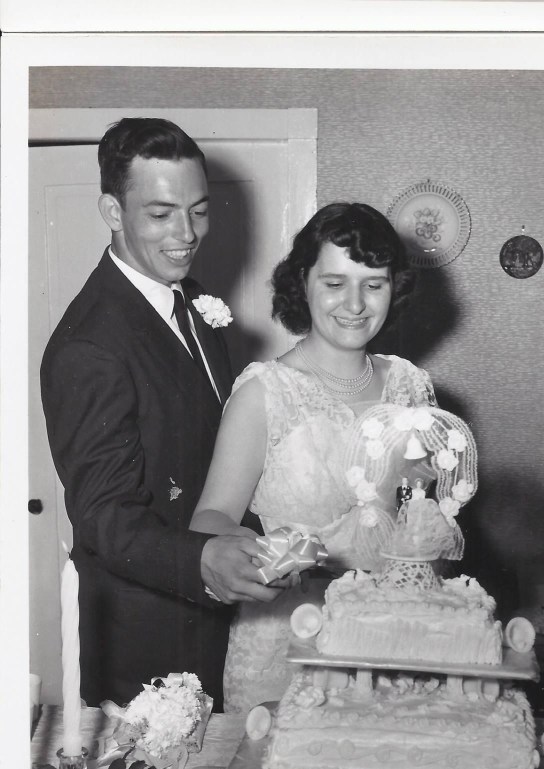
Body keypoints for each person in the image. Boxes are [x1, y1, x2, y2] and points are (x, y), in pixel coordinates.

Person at [41, 117, 284, 711]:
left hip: (212, 620)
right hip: (143, 642)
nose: (186, 233)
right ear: (112, 211)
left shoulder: (191, 300)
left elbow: (209, 451)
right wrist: (203, 558)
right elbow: (104, 517)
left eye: (198, 211)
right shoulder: (88, 344)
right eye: (160, 214)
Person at [191, 202, 438, 718]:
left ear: (394, 287)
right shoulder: (264, 392)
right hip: (289, 644)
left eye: (374, 284)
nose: (356, 303)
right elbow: (210, 518)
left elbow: (424, 520)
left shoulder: (412, 386)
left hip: (395, 637)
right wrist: (268, 555)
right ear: (302, 283)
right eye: (334, 283)